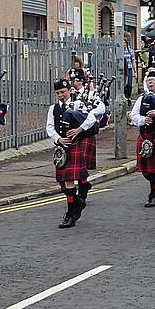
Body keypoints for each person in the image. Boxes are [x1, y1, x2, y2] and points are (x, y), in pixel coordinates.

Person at [46, 79, 97, 229]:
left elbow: (91, 118)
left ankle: (70, 214)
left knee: (68, 181)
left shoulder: (78, 104)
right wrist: (59, 139)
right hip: (62, 148)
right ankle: (78, 203)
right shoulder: (53, 108)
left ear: (69, 90)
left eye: (63, 92)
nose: (61, 95)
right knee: (63, 183)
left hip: (75, 145)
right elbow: (49, 127)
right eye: (57, 93)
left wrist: (79, 129)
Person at [129, 72, 155, 207]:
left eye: (153, 80)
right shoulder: (142, 99)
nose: (150, 82)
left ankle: (152, 195)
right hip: (145, 136)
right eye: (148, 80)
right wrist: (143, 119)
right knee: (145, 170)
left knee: (154, 168)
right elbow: (133, 115)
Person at [123, 32, 135, 99]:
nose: (123, 44)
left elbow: (133, 61)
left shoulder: (130, 51)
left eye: (125, 43)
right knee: (123, 84)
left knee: (129, 84)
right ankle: (126, 97)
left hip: (129, 69)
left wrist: (135, 71)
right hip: (122, 69)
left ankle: (129, 97)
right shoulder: (118, 51)